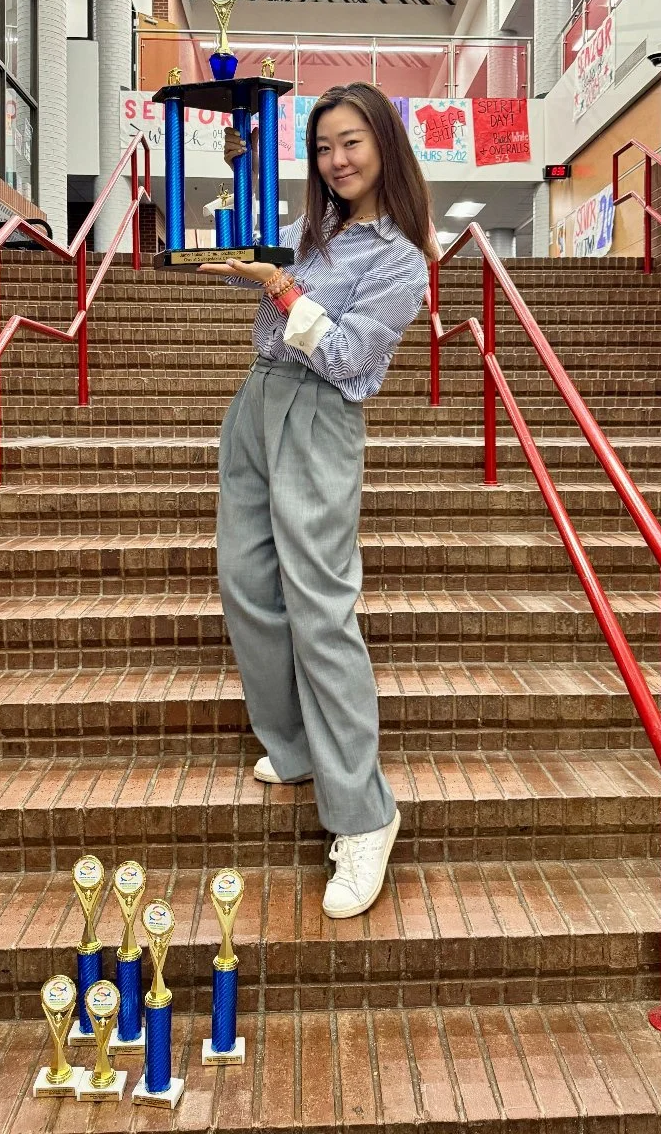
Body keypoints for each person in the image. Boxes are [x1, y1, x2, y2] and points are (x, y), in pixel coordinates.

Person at [198, 82, 437, 919]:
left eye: (352, 143)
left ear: (385, 147)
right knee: (246, 583)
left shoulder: (400, 258)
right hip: (257, 402)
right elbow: (274, 295)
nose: (337, 160)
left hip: (319, 413)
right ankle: (296, 746)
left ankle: (364, 815)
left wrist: (282, 289)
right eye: (324, 147)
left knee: (320, 608)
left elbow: (346, 359)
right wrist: (245, 232)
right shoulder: (319, 232)